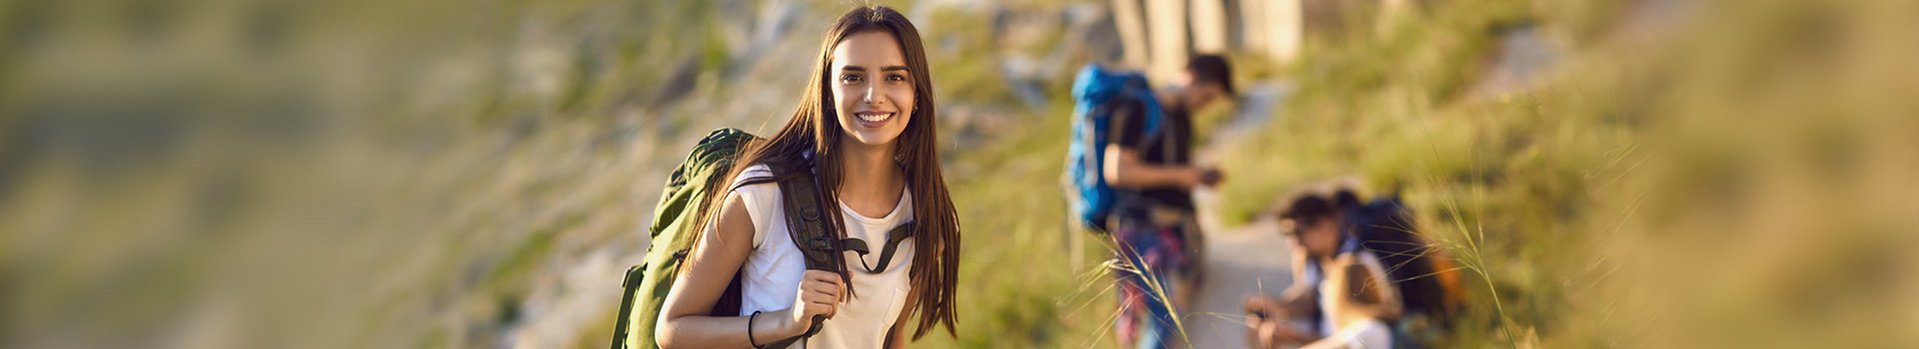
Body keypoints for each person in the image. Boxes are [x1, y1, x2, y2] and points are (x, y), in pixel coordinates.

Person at [655, 6, 960, 348]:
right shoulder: (766, 191)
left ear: (916, 94)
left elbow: (890, 337)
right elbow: (672, 330)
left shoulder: (927, 214)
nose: (874, 96)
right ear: (828, 92)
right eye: (853, 77)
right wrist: (786, 321)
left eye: (894, 77)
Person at [1104, 54, 1235, 349]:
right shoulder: (1136, 107)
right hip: (1140, 229)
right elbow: (1116, 170)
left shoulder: (1180, 117)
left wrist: (1197, 176)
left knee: (1168, 316)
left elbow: (1170, 169)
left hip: (1172, 229)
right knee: (1161, 317)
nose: (1205, 105)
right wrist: (1180, 175)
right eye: (1206, 95)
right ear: (1191, 77)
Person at [1245, 186, 1403, 349]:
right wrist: (1276, 306)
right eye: (1288, 235)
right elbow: (1307, 298)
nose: (1294, 242)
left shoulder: (1356, 264)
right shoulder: (1314, 258)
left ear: (1326, 225)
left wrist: (1296, 337)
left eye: (1299, 232)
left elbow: (1349, 335)